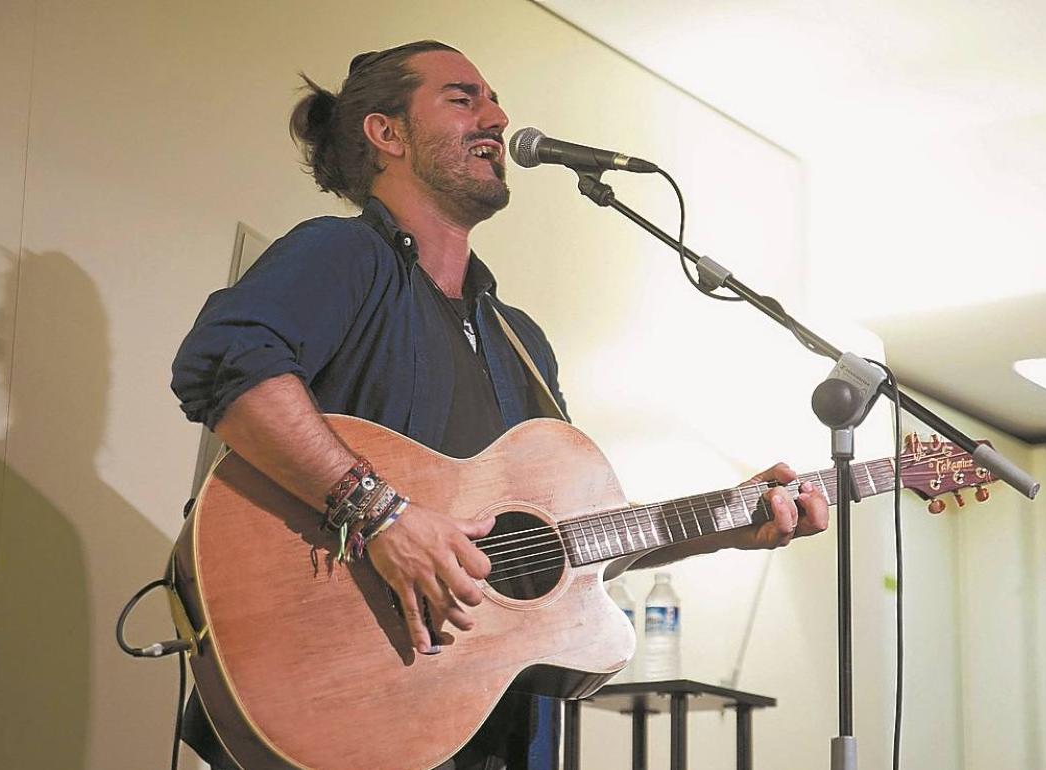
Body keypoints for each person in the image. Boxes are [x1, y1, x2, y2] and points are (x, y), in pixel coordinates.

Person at [171, 40, 829, 770]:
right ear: (386, 134)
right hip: (350, 704)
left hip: (491, 728)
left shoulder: (522, 343)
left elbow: (555, 551)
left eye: (493, 99)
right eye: (463, 98)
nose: (497, 116)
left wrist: (726, 521)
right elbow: (223, 362)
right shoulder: (343, 256)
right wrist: (382, 513)